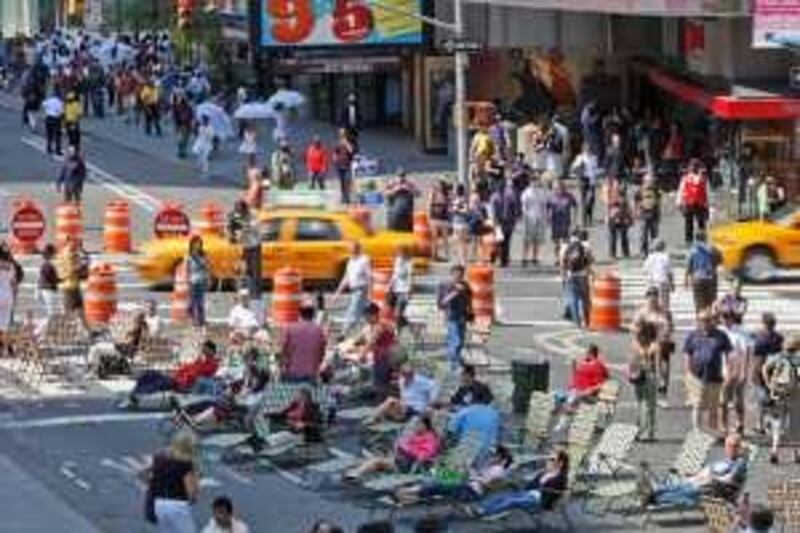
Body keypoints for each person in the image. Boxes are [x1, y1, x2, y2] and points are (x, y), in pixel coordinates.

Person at [641, 434, 747, 507]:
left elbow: (728, 480)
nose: (731, 448)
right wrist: (695, 476)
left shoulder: (739, 463)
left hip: (714, 491)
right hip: (703, 484)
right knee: (681, 486)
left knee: (684, 493)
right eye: (728, 445)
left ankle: (654, 494)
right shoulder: (723, 460)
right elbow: (707, 470)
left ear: (739, 448)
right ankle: (654, 492)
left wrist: (711, 478)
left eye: (735, 446)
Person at [395, 445, 513, 505]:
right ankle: (415, 492)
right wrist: (471, 473)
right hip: (468, 485)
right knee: (443, 477)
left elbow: (487, 485)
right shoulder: (493, 467)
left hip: (470, 492)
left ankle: (412, 492)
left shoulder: (498, 470)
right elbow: (480, 477)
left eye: (495, 455)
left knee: (442, 483)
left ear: (502, 459)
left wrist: (472, 476)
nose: (491, 457)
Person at [468, 449, 569, 517]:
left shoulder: (561, 478)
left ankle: (483, 512)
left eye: (552, 459)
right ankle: (481, 508)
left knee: (512, 501)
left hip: (539, 502)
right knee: (504, 495)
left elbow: (557, 493)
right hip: (529, 494)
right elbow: (531, 485)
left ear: (560, 463)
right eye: (549, 459)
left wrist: (542, 488)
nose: (549, 461)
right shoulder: (545, 472)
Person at [346, 415, 441, 481]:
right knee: (377, 462)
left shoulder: (430, 438)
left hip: (409, 465)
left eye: (418, 424)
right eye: (415, 424)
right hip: (402, 459)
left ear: (425, 425)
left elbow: (422, 456)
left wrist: (406, 449)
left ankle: (356, 472)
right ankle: (358, 472)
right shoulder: (417, 435)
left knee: (377, 461)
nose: (415, 426)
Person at [683, 309, 732, 433]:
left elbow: (728, 354)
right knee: (697, 404)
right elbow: (687, 353)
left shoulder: (721, 335)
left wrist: (728, 371)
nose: (705, 323)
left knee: (713, 406)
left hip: (715, 375)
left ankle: (712, 429)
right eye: (702, 320)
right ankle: (696, 430)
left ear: (713, 321)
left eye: (708, 320)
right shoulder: (692, 335)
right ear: (698, 321)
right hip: (697, 375)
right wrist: (688, 372)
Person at [128, 340, 220, 403]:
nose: (202, 350)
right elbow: (187, 368)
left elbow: (199, 375)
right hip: (176, 379)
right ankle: (134, 392)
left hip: (183, 384)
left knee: (158, 383)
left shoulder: (213, 364)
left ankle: (137, 395)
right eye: (203, 348)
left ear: (211, 350)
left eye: (205, 349)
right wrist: (176, 373)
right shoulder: (200, 360)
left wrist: (203, 361)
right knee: (150, 374)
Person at [144, 432, 199, 532]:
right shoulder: (186, 464)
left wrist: (154, 486)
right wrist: (196, 484)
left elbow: (144, 473)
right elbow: (191, 493)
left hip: (159, 504)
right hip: (178, 505)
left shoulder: (159, 459)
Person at [762, 339, 800, 464]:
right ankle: (797, 453)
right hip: (794, 396)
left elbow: (765, 368)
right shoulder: (798, 359)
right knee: (794, 426)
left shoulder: (777, 357)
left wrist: (769, 384)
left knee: (777, 424)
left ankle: (774, 451)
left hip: (778, 395)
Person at [632, 287, 673, 397]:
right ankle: (639, 374)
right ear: (646, 298)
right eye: (650, 297)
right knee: (640, 351)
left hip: (661, 341)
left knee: (661, 350)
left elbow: (668, 329)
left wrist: (663, 334)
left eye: (655, 296)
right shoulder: (641, 312)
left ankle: (661, 381)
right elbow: (634, 329)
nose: (652, 299)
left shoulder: (664, 312)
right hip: (644, 340)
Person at [365, 364, 439, 425]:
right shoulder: (402, 380)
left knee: (390, 401)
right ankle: (376, 417)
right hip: (405, 405)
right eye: (405, 375)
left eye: (410, 375)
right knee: (389, 403)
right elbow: (403, 394)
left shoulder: (419, 380)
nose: (408, 377)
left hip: (416, 407)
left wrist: (431, 402)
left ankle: (377, 417)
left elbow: (434, 385)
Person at [718, 310, 753, 435]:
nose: (725, 319)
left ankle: (740, 423)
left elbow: (745, 353)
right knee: (723, 400)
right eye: (723, 316)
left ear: (733, 318)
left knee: (738, 398)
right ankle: (723, 425)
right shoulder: (719, 331)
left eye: (728, 317)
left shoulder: (740, 332)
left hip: (736, 369)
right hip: (721, 369)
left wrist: (744, 371)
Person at [753, 312, 784, 434]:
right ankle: (769, 423)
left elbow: (757, 358)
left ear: (764, 323)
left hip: (761, 371)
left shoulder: (759, 338)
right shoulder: (779, 337)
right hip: (774, 371)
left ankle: (761, 424)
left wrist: (754, 374)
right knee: (772, 399)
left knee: (761, 400)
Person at [280, 301, 327, 383]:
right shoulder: (319, 331)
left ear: (300, 313)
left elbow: (284, 351)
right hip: (311, 375)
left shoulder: (290, 329)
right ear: (313, 314)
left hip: (293, 374)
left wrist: (284, 366)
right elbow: (321, 354)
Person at [438, 264, 473, 372]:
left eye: (461, 274)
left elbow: (469, 300)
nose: (458, 276)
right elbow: (442, 302)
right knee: (455, 340)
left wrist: (470, 313)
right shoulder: (446, 285)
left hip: (462, 317)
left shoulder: (465, 285)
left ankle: (454, 360)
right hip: (451, 317)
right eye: (456, 273)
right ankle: (454, 364)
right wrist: (456, 292)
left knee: (460, 341)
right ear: (452, 273)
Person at [629, 319, 659, 441]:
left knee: (647, 406)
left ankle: (648, 432)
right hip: (638, 375)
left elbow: (656, 363)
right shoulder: (636, 344)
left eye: (638, 334)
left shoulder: (653, 346)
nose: (636, 336)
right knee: (640, 405)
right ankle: (640, 431)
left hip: (648, 376)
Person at [334, 241, 371, 335]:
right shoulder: (350, 261)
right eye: (350, 249)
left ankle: (343, 334)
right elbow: (346, 278)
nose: (350, 250)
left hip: (361, 290)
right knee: (364, 314)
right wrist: (337, 293)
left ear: (357, 249)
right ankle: (364, 334)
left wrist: (370, 291)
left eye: (352, 248)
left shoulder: (364, 260)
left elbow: (369, 276)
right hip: (354, 291)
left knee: (352, 312)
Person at [560, 229, 593, 329]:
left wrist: (564, 275)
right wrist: (590, 273)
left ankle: (577, 323)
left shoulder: (565, 247)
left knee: (573, 299)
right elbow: (589, 260)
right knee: (585, 299)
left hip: (571, 275)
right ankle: (587, 321)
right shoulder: (585, 246)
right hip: (583, 275)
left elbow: (562, 262)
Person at [685, 230, 721, 313]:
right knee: (711, 301)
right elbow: (720, 260)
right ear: (705, 238)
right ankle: (710, 318)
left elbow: (689, 266)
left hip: (697, 278)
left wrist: (686, 280)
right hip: (711, 278)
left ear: (696, 239)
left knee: (699, 302)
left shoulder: (693, 250)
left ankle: (700, 320)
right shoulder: (712, 248)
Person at [677, 160, 710, 245]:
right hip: (689, 203)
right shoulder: (685, 178)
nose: (693, 168)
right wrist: (679, 202)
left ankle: (702, 240)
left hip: (700, 203)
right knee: (689, 223)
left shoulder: (703, 178)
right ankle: (689, 240)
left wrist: (708, 204)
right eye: (692, 166)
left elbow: (707, 191)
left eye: (695, 166)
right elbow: (681, 190)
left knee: (701, 223)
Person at [546, 179, 578, 266]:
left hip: (566, 221)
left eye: (558, 188)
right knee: (556, 242)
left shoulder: (569, 196)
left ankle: (565, 258)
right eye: (555, 188)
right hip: (555, 221)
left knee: (565, 241)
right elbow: (547, 207)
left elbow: (575, 207)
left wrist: (574, 220)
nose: (557, 189)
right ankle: (557, 258)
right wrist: (548, 216)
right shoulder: (551, 196)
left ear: (563, 187)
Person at [490, 179, 521, 268]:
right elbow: (493, 211)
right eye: (500, 187)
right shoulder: (494, 197)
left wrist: (515, 219)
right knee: (499, 242)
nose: (501, 188)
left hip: (508, 221)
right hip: (499, 222)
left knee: (506, 242)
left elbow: (514, 208)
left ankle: (504, 260)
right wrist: (494, 222)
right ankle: (494, 257)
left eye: (503, 186)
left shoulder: (510, 196)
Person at [520, 175, 549, 266]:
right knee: (527, 239)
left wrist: (545, 217)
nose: (534, 182)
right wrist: (524, 217)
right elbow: (524, 206)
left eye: (536, 180)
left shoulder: (541, 192)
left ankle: (535, 257)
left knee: (537, 239)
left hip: (539, 217)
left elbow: (544, 206)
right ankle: (524, 257)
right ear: (530, 182)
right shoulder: (526, 192)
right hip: (529, 217)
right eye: (533, 180)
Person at [570, 143, 600, 227]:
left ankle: (589, 217)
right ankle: (584, 221)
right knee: (583, 201)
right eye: (586, 148)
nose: (587, 150)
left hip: (592, 181)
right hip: (583, 180)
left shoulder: (594, 158)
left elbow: (595, 169)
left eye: (589, 148)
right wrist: (578, 171)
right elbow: (573, 168)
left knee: (591, 201)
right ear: (583, 149)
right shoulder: (580, 158)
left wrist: (598, 174)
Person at [643, 239, 674, 313]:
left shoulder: (649, 257)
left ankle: (652, 318)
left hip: (651, 283)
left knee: (652, 303)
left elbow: (645, 270)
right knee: (664, 303)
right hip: (663, 282)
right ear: (663, 247)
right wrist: (672, 283)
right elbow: (669, 272)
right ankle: (663, 318)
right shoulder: (665, 257)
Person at [635, 173, 661, 256]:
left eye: (651, 181)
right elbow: (637, 202)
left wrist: (658, 214)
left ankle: (655, 250)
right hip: (643, 215)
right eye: (649, 181)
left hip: (653, 215)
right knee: (643, 235)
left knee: (654, 235)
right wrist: (637, 212)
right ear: (644, 181)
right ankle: (643, 251)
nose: (650, 182)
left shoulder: (656, 190)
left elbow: (658, 203)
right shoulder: (640, 190)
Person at [186, 236, 210, 328]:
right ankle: (192, 319)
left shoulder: (204, 255)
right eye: (195, 244)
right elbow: (187, 269)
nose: (197, 246)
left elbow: (207, 268)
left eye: (199, 244)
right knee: (192, 302)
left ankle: (201, 320)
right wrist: (187, 281)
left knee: (200, 302)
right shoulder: (189, 256)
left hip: (201, 281)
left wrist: (208, 279)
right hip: (193, 282)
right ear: (192, 245)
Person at [388, 246, 412, 330]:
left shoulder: (409, 263)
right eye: (399, 252)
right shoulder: (397, 261)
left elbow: (410, 277)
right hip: (395, 289)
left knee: (397, 313)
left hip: (404, 290)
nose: (399, 254)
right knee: (395, 313)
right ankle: (407, 325)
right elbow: (394, 275)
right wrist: (390, 286)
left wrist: (409, 290)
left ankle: (396, 332)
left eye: (401, 252)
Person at [427, 179, 451, 261]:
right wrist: (429, 216)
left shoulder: (446, 193)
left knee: (445, 238)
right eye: (440, 184)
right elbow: (429, 204)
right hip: (435, 217)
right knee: (434, 237)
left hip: (444, 217)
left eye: (442, 184)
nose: (441, 186)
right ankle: (434, 255)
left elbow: (449, 204)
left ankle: (446, 255)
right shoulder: (433, 193)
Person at [0, 249, 18, 354]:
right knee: (5, 325)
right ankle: (6, 349)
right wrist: (14, 298)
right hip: (8, 296)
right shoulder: (11, 266)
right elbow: (14, 284)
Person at [37, 243, 60, 318]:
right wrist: (62, 279)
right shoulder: (49, 265)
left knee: (48, 312)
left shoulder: (44, 264)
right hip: (48, 289)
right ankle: (44, 328)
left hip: (41, 289)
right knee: (51, 313)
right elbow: (50, 278)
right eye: (53, 253)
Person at [333, 128, 355, 204]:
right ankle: (343, 197)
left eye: (343, 133)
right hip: (339, 166)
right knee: (342, 182)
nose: (342, 135)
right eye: (340, 134)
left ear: (346, 134)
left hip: (347, 165)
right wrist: (334, 158)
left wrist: (346, 143)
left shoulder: (349, 142)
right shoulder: (337, 143)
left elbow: (351, 151)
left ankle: (347, 197)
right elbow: (335, 152)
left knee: (347, 181)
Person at [42, 91, 64, 155]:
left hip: (48, 118)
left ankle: (49, 148)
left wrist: (47, 109)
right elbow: (61, 111)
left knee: (49, 134)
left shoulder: (48, 100)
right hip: (56, 119)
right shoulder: (60, 102)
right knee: (57, 135)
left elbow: (43, 104)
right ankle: (58, 150)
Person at [173, 93, 194, 159]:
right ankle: (181, 151)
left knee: (183, 139)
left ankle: (182, 151)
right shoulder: (177, 108)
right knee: (182, 140)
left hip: (185, 126)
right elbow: (175, 117)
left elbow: (191, 116)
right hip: (183, 125)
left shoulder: (188, 108)